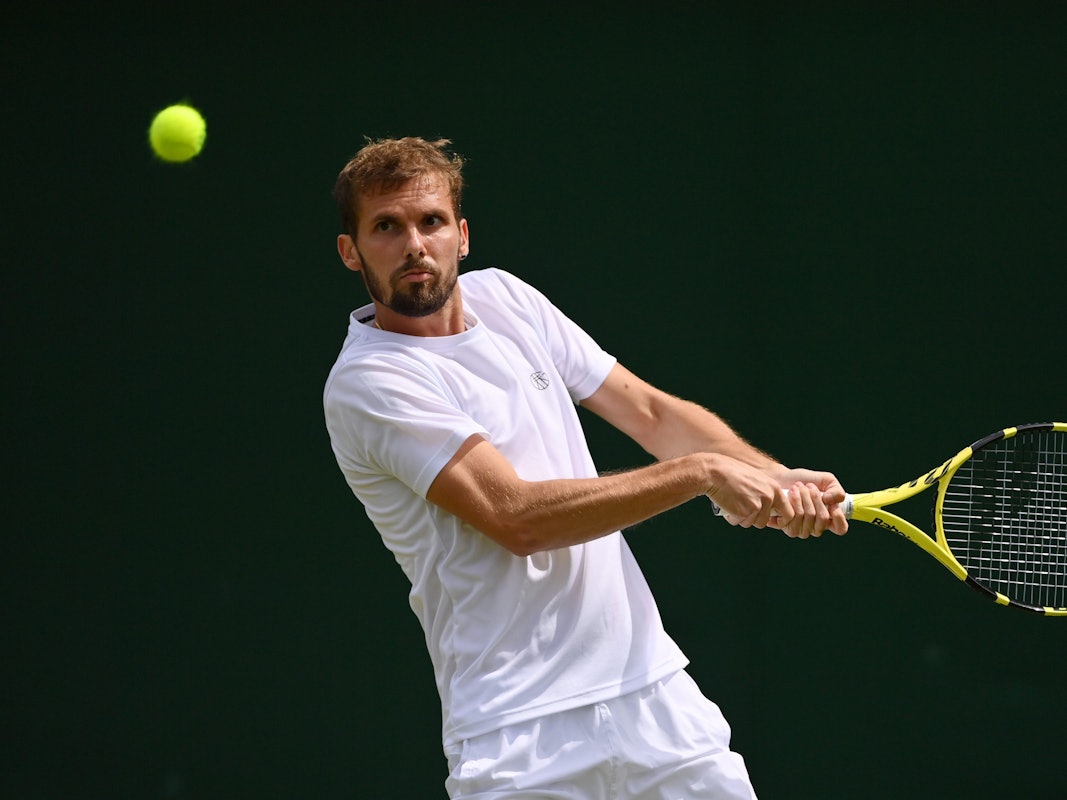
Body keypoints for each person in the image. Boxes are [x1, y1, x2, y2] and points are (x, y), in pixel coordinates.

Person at [323, 137, 849, 799]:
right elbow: (517, 519)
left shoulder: (509, 300)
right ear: (352, 252)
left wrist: (775, 480)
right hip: (517, 735)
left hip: (654, 701)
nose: (413, 245)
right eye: (386, 227)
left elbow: (653, 415)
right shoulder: (370, 382)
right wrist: (706, 474)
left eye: (429, 221)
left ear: (461, 234)